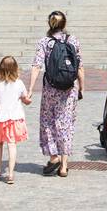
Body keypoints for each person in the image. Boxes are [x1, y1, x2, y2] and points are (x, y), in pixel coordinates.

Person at [27, 11, 84, 178]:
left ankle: (54, 157)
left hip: (51, 89)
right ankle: (64, 166)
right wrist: (82, 87)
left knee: (48, 122)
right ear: (64, 24)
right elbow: (80, 66)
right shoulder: (73, 40)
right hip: (69, 89)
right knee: (65, 124)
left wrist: (30, 88)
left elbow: (37, 66)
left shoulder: (45, 42)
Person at [0, 55, 30, 184]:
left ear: (1, 68)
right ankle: (11, 174)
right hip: (15, 118)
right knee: (12, 145)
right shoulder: (19, 83)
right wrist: (27, 100)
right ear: (16, 68)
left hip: (1, 119)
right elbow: (25, 98)